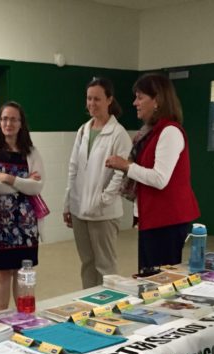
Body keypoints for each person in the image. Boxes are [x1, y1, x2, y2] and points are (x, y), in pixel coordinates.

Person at [105, 73, 200, 271]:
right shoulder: (149, 132)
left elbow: (159, 179)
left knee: (160, 281)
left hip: (167, 219)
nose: (135, 103)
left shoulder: (170, 132)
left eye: (140, 97)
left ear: (157, 100)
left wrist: (126, 166)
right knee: (147, 278)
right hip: (153, 217)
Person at [0, 101, 44, 310]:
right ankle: (1, 318)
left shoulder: (31, 152)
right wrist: (22, 185)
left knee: (22, 272)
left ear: (21, 123)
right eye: (4, 118)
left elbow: (38, 187)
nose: (8, 123)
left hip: (26, 224)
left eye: (13, 119)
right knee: (3, 272)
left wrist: (7, 179)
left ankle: (24, 317)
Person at [64, 77, 132, 288]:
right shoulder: (83, 130)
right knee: (87, 263)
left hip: (103, 213)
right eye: (89, 99)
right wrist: (68, 203)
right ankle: (89, 304)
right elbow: (73, 169)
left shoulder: (119, 134)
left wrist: (103, 199)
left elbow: (120, 174)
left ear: (109, 100)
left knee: (105, 266)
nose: (92, 104)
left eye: (97, 99)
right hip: (79, 210)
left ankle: (109, 308)